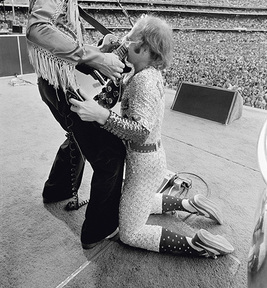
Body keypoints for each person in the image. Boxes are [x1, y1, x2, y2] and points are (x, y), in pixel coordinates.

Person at [70, 15, 234, 258]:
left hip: (144, 163)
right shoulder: (144, 73)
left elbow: (140, 130)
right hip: (149, 161)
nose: (125, 42)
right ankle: (190, 204)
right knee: (136, 199)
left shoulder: (143, 81)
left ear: (145, 48)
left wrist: (101, 115)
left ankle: (197, 245)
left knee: (130, 232)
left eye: (130, 38)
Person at [26, 0, 127, 247]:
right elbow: (36, 29)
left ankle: (56, 189)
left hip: (55, 82)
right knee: (110, 153)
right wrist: (96, 57)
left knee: (77, 137)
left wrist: (99, 49)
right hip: (59, 86)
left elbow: (65, 47)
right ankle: (99, 228)